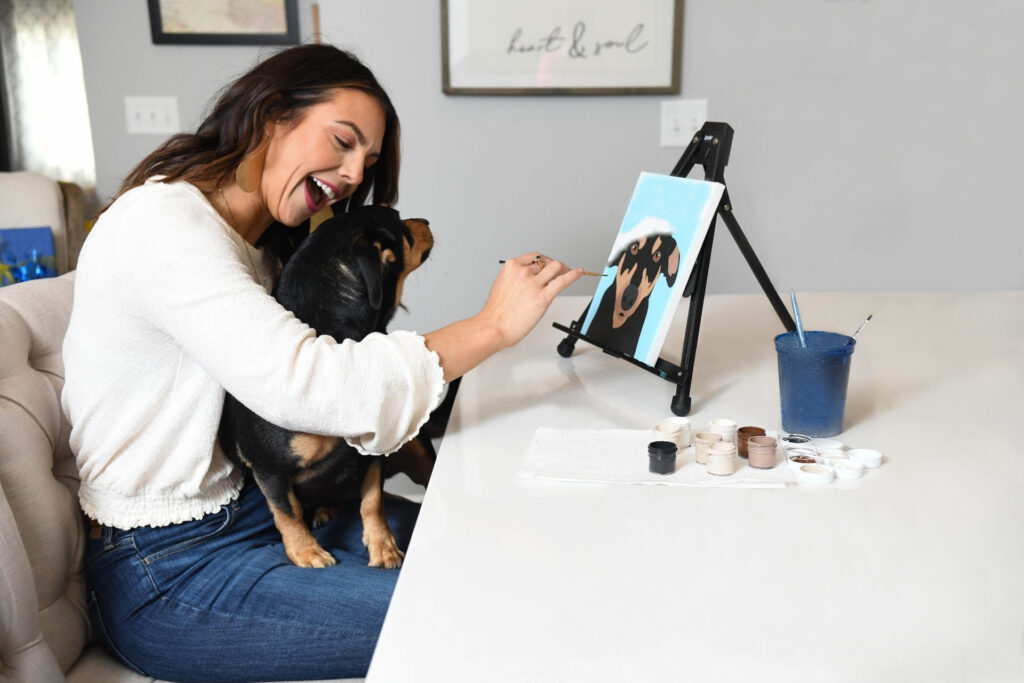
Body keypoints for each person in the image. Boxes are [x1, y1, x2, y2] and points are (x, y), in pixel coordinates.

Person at [63, 43, 582, 682]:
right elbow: (307, 385)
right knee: (493, 606)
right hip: (168, 570)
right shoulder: (162, 226)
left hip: (269, 511)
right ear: (273, 114)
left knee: (520, 552)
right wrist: (493, 326)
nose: (351, 173)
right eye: (342, 141)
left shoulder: (259, 249)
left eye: (365, 161)